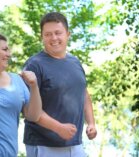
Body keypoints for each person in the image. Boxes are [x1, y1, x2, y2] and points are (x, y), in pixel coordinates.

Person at [23, 12, 97, 157]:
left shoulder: (75, 62)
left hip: (75, 144)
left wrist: (91, 123)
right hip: (43, 145)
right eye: (48, 34)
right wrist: (58, 128)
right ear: (42, 37)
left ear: (68, 34)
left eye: (58, 33)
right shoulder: (34, 65)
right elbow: (28, 109)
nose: (54, 38)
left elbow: (84, 94)